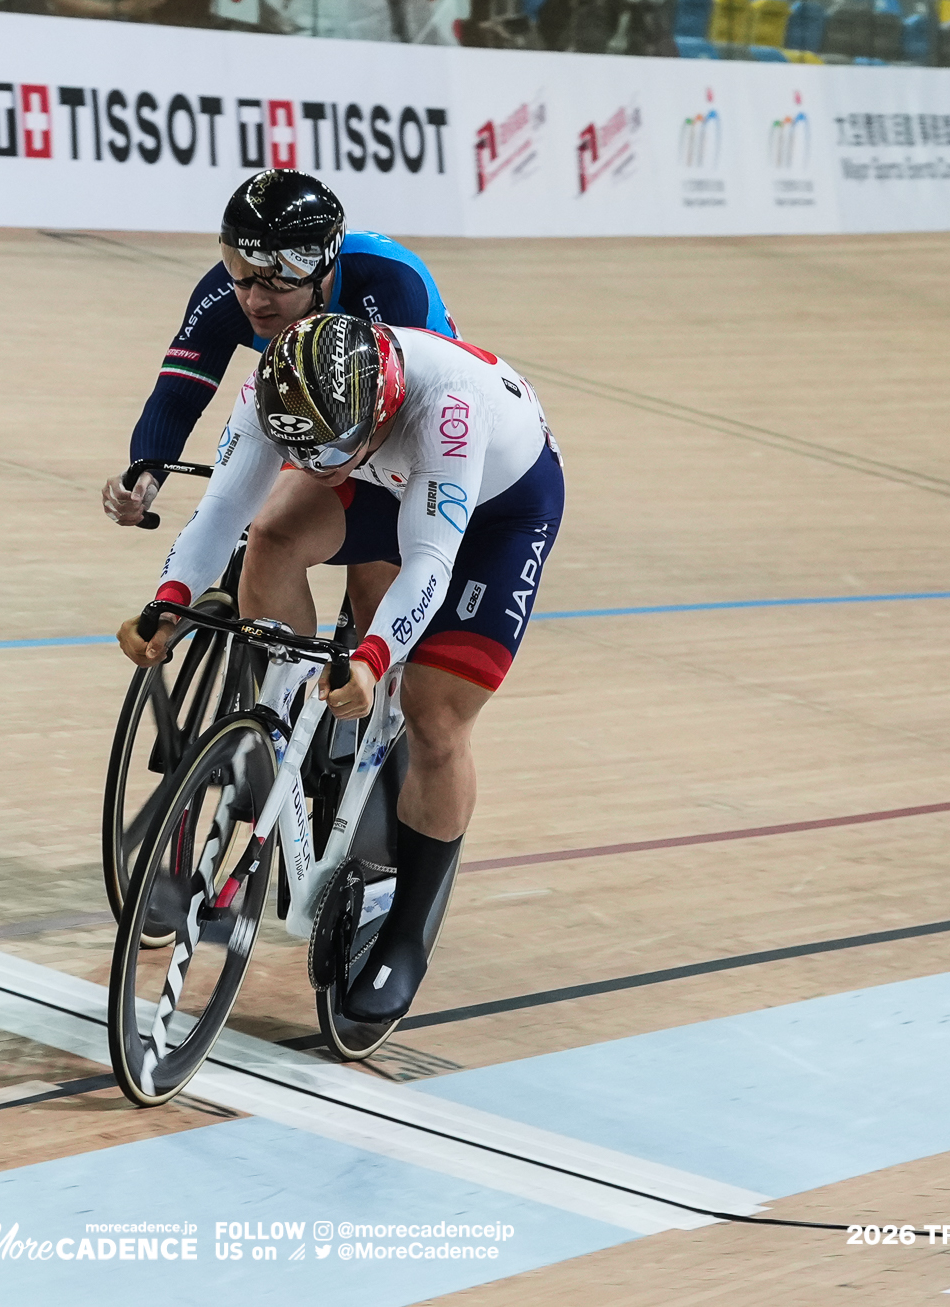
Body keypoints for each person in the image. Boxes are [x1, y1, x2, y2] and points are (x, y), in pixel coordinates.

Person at [116, 314, 564, 1023]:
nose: (319, 466)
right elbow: (225, 507)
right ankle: (287, 738)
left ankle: (407, 935)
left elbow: (429, 562)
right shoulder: (279, 393)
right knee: (271, 533)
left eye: (330, 452)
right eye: (308, 453)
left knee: (436, 718)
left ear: (377, 406)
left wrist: (375, 656)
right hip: (381, 470)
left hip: (495, 513)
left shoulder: (445, 406)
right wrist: (168, 601)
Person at [102, 169, 457, 633]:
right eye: (242, 276)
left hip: (404, 420)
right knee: (264, 522)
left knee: (373, 588)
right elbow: (177, 395)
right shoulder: (226, 294)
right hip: (309, 395)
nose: (254, 300)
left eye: (273, 284)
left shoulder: (387, 285)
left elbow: (396, 426)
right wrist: (146, 474)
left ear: (321, 272)